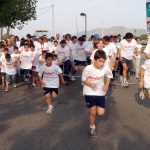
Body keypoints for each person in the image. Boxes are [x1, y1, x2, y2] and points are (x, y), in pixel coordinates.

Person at [82, 50, 113, 137]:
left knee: (101, 113)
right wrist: (90, 84)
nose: (102, 63)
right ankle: (92, 127)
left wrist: (106, 85)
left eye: (103, 61)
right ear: (95, 59)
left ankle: (94, 114)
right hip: (89, 92)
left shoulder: (105, 68)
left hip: (100, 93)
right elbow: (83, 79)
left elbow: (109, 75)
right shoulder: (88, 68)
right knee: (93, 111)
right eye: (100, 61)